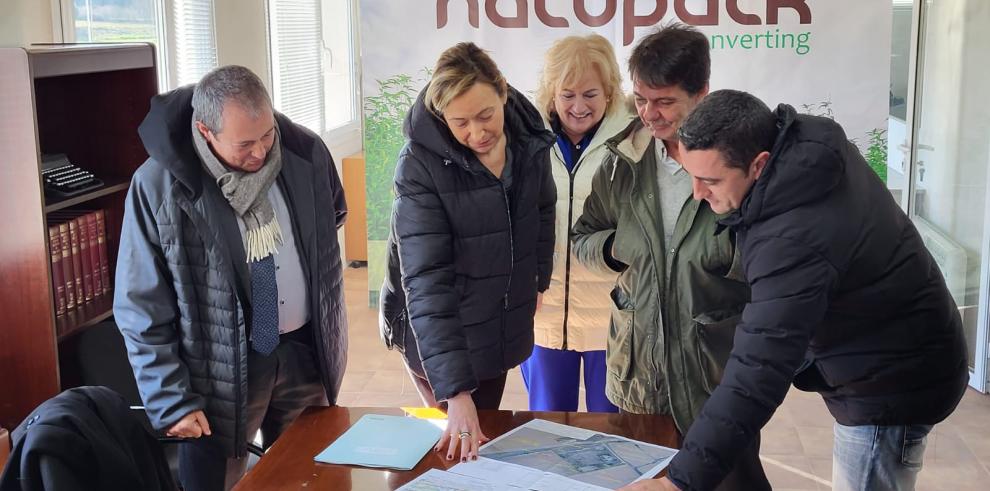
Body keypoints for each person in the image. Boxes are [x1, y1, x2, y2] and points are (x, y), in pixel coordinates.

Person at [631, 89, 969, 491]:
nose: (698, 193)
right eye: (691, 175)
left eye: (710, 180)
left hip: (894, 381)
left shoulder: (793, 237)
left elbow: (760, 368)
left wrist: (679, 483)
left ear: (759, 165)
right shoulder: (805, 151)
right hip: (896, 348)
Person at [114, 65, 348, 491]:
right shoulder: (159, 187)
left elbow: (331, 215)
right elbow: (139, 304)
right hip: (218, 371)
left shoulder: (305, 152)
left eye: (267, 135)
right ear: (205, 131)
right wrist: (170, 399)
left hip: (304, 351)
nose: (260, 153)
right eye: (245, 144)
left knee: (312, 475)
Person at [571, 24, 769, 489]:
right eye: (640, 99)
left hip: (714, 378)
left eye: (664, 102)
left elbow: (772, 261)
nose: (649, 114)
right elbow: (584, 238)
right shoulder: (622, 161)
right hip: (639, 373)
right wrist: (616, 249)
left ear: (701, 92)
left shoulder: (739, 160)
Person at [379, 42, 555, 464]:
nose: (477, 132)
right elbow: (425, 279)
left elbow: (542, 212)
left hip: (498, 317)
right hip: (436, 329)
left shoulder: (529, 142)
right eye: (460, 122)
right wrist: (455, 391)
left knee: (484, 430)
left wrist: (537, 281)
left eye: (486, 115)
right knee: (450, 445)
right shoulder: (419, 165)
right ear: (441, 116)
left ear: (503, 93)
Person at [521, 34, 634, 413]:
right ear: (551, 92)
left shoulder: (637, 139)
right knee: (547, 427)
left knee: (612, 431)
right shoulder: (526, 139)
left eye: (590, 94)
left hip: (612, 318)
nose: (579, 106)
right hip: (545, 314)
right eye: (567, 94)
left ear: (610, 92)